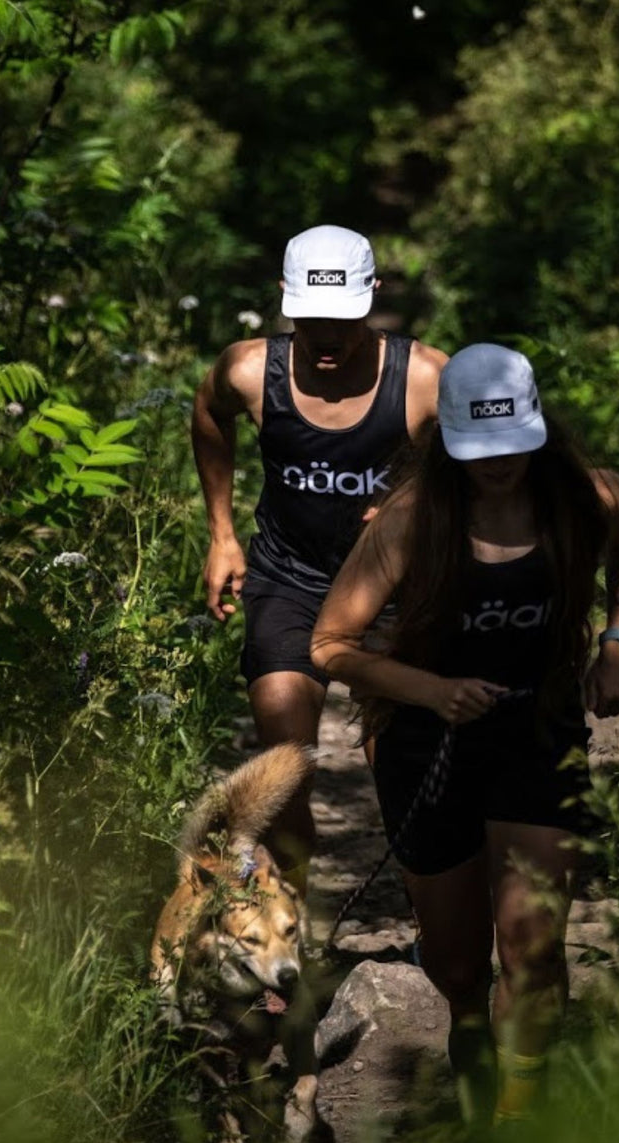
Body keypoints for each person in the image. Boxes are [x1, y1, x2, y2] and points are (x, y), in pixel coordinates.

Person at [309, 343, 619, 1124]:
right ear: (448, 443)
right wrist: (433, 690)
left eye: (512, 450)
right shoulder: (409, 521)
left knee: (532, 947)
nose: (496, 466)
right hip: (426, 746)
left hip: (540, 730)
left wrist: (617, 643)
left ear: (538, 432)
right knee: (461, 964)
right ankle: (467, 1026)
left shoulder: (587, 499)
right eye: (477, 452)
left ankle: (518, 1127)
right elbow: (329, 646)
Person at [192, 224, 447, 894]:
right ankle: (289, 939)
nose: (327, 338)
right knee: (283, 769)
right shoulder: (249, 371)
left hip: (392, 591)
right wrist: (221, 531)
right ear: (285, 299)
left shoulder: (425, 381)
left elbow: (488, 468)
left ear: (372, 298)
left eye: (342, 320)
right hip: (289, 579)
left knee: (398, 771)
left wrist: (413, 504)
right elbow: (208, 412)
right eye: (310, 320)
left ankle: (434, 930)